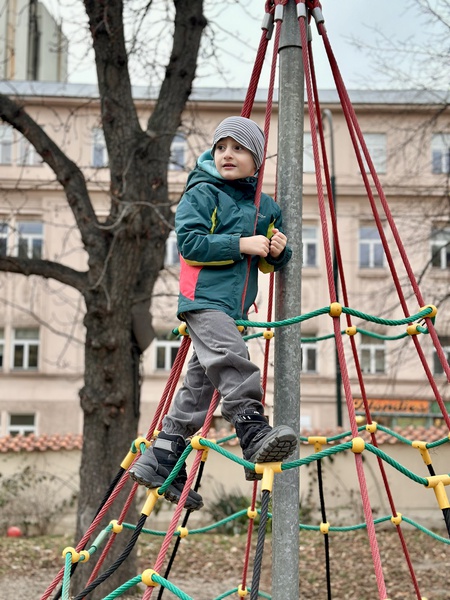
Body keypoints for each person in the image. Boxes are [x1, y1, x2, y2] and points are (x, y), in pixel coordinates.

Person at [129, 116, 298, 510]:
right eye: (221, 147)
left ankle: (163, 456)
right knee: (231, 357)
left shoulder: (265, 206)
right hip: (204, 298)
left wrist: (277, 250)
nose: (227, 154)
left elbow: (269, 257)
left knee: (201, 383)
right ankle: (251, 428)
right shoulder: (203, 191)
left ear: (257, 160)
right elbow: (190, 244)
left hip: (233, 307)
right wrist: (242, 244)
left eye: (238, 148)